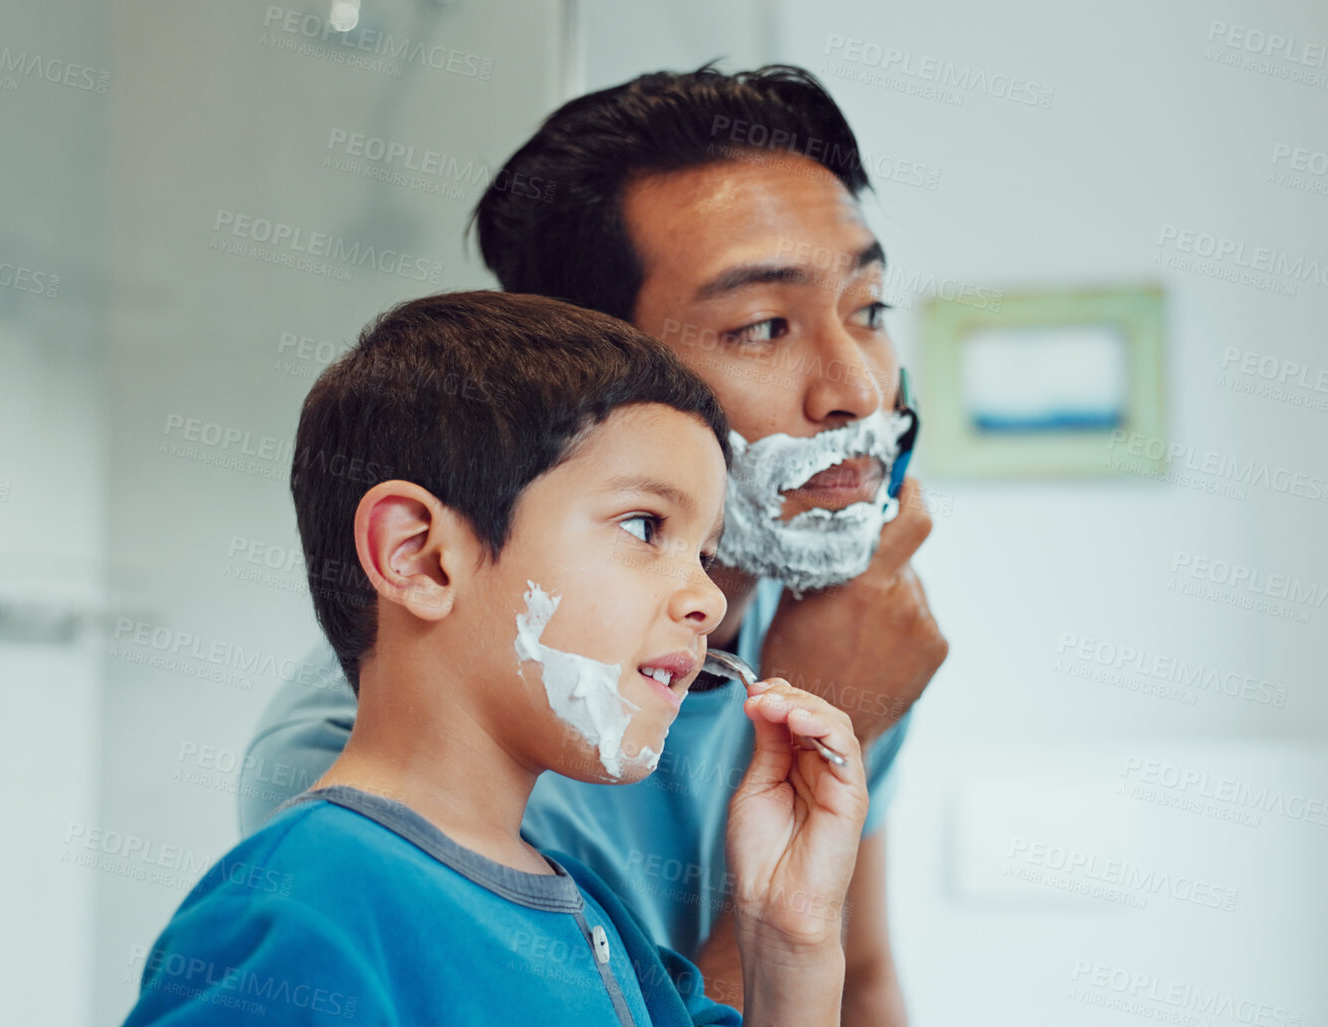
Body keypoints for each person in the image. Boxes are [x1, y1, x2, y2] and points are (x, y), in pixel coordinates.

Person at [241, 65, 948, 1021]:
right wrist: (837, 723)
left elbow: (861, 983)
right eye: (761, 325)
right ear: (601, 376)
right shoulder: (372, 765)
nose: (857, 389)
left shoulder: (844, 631)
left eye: (867, 309)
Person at [126, 291, 866, 1025]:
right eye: (644, 525)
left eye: (705, 553)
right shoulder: (305, 906)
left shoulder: (594, 919)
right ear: (420, 557)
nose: (704, 597)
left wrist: (790, 934)